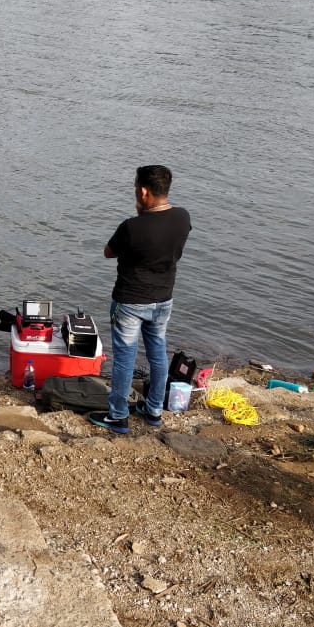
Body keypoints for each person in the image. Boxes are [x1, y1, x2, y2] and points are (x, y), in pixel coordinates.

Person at [88, 165, 191, 435]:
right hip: (163, 299)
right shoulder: (182, 217)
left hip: (131, 301)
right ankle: (154, 410)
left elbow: (108, 252)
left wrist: (139, 218)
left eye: (136, 188)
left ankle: (118, 416)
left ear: (144, 192)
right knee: (158, 353)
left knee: (125, 358)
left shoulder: (132, 227)